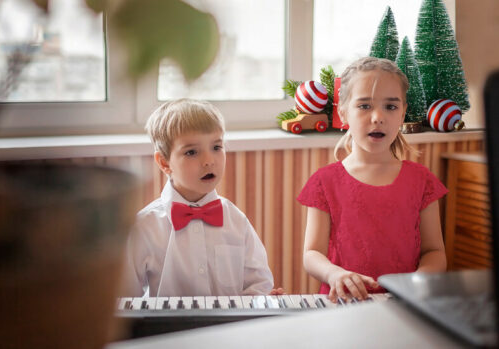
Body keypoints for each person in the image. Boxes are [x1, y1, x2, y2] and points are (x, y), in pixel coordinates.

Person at [298, 57, 448, 303]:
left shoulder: (422, 181)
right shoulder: (324, 182)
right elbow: (312, 253)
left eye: (390, 107)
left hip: (405, 304)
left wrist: (418, 282)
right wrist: (334, 273)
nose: (378, 116)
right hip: (343, 304)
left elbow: (435, 252)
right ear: (343, 112)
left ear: (402, 114)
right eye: (365, 106)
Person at [123, 98, 275, 297]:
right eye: (192, 152)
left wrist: (260, 300)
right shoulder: (144, 227)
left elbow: (259, 282)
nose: (209, 161)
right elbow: (125, 299)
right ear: (164, 162)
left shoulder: (236, 220)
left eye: (216, 148)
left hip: (230, 327)